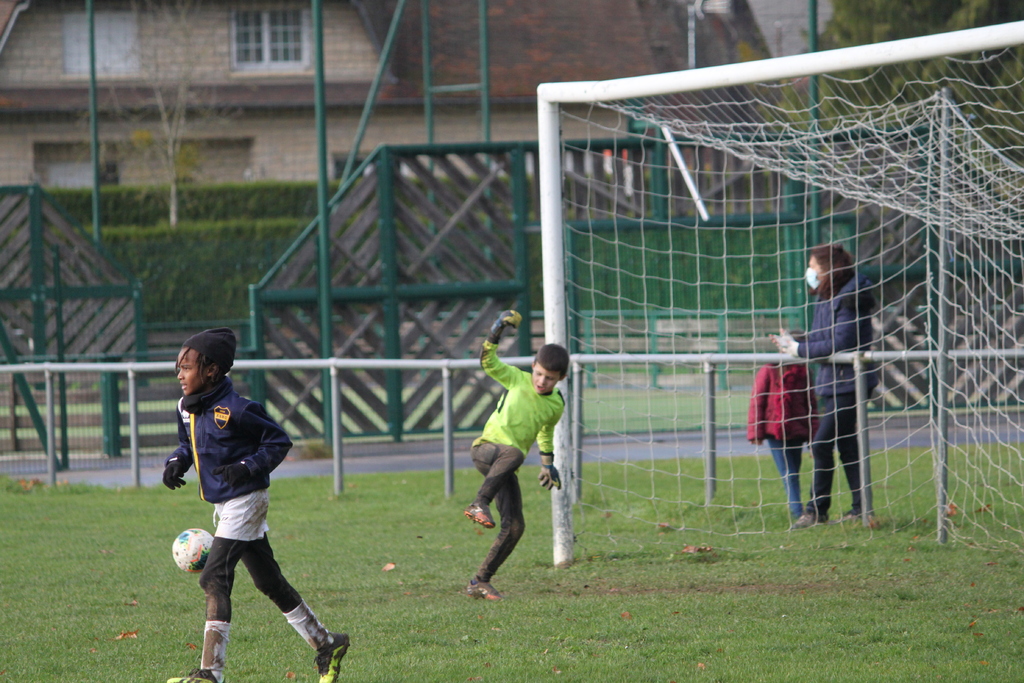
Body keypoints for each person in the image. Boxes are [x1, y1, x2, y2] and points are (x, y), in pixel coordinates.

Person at [162, 328, 349, 683]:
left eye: (186, 367)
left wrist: (246, 467)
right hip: (224, 504)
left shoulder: (239, 409)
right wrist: (176, 461)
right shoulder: (185, 408)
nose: (180, 375)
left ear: (211, 370)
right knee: (268, 581)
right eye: (178, 368)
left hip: (247, 500)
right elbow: (187, 443)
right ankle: (328, 644)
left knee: (214, 578)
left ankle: (210, 673)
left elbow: (278, 442)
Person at [461, 309, 569, 601]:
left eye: (549, 378)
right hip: (486, 449)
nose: (541, 381)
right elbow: (488, 361)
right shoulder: (517, 379)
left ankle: (479, 581)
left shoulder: (556, 405)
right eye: (539, 373)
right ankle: (478, 503)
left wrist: (548, 466)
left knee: (516, 527)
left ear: (561, 378)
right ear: (533, 366)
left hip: (507, 464)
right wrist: (496, 330)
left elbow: (545, 432)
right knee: (514, 453)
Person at [771, 244, 878, 529]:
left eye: (813, 267)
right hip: (833, 383)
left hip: (851, 382)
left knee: (820, 444)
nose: (809, 272)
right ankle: (862, 510)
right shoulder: (826, 295)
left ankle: (815, 512)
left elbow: (841, 342)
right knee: (847, 445)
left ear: (830, 269)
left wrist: (799, 350)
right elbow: (824, 338)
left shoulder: (851, 297)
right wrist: (794, 342)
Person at [747, 334, 819, 519]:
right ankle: (798, 512)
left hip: (797, 431)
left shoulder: (804, 372)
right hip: (775, 432)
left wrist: (814, 440)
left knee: (795, 470)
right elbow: (757, 401)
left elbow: (811, 405)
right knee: (789, 472)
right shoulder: (769, 369)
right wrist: (755, 433)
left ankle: (803, 511)